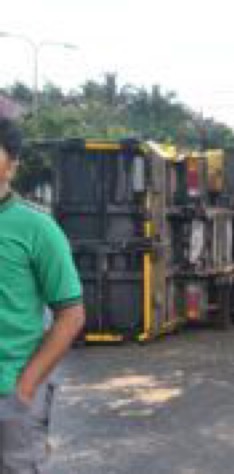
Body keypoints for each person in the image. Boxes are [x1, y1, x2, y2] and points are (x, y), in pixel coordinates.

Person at [0, 118, 85, 472]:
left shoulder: (37, 229)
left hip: (9, 395)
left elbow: (71, 315)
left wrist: (25, 388)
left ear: (12, 164)